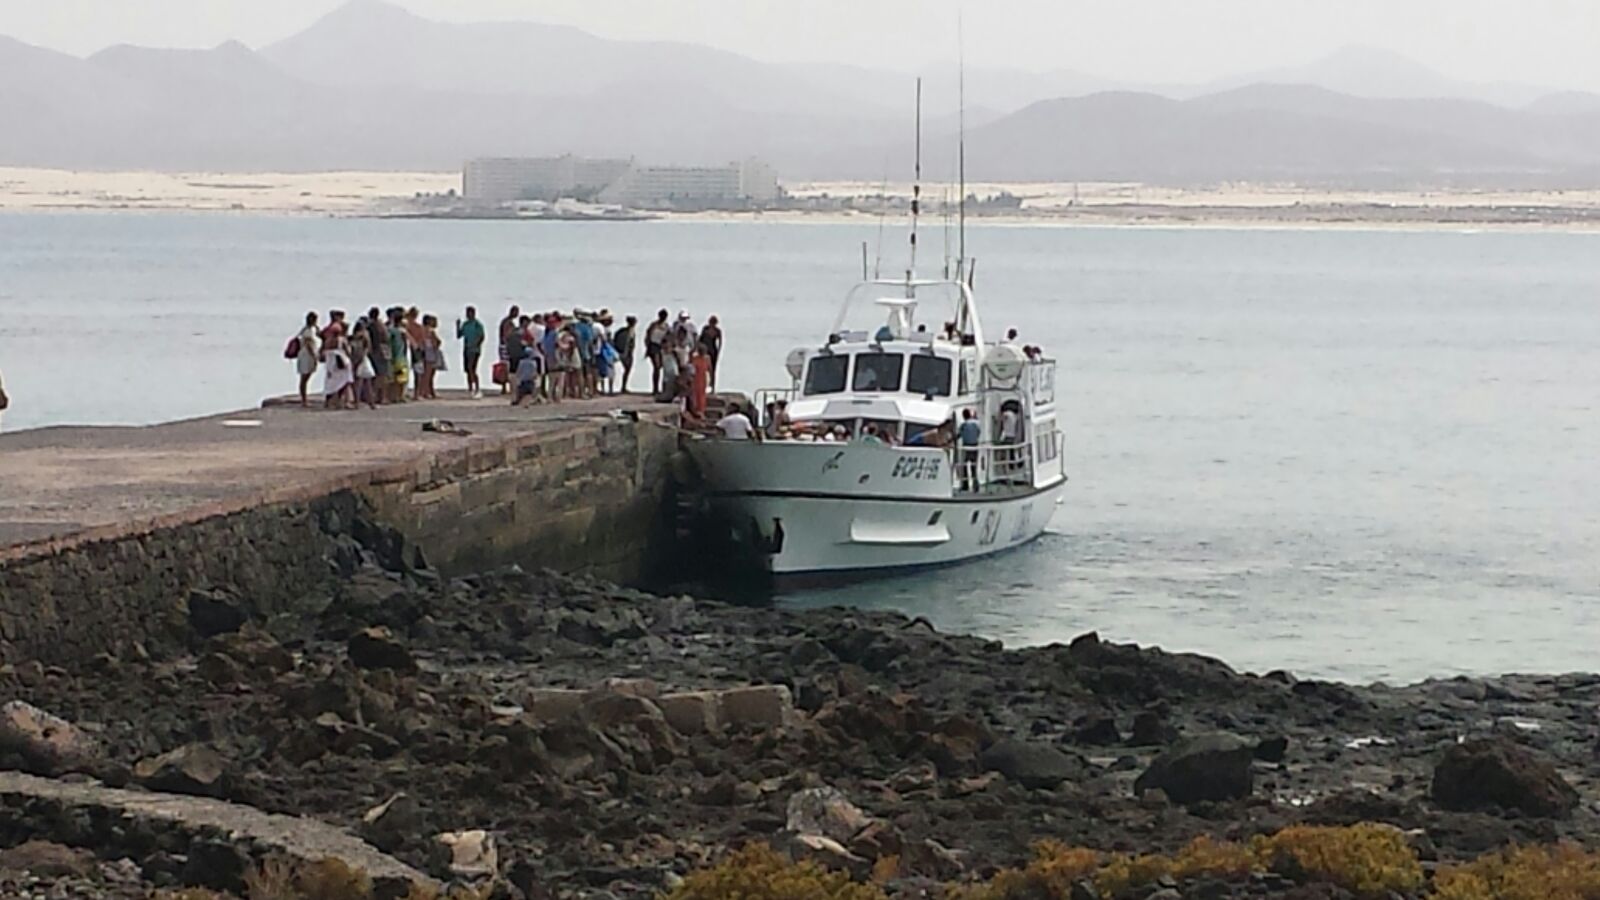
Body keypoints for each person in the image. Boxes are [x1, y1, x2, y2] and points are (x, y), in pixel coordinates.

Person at [293, 311, 321, 407]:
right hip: (307, 355)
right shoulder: (309, 331)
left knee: (304, 378)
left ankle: (304, 399)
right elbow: (309, 344)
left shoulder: (306, 329)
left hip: (304, 354)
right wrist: (315, 356)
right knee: (305, 378)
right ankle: (304, 400)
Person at [458, 306, 486, 398]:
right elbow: (459, 335)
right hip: (466, 349)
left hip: (474, 350)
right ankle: (470, 388)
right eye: (467, 313)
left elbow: (482, 337)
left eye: (470, 313)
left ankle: (477, 388)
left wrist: (476, 344)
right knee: (467, 370)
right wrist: (457, 326)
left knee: (472, 368)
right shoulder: (465, 324)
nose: (468, 315)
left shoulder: (477, 324)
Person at [323, 330, 355, 409]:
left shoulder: (328, 341)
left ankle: (329, 402)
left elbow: (323, 352)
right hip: (341, 362)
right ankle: (345, 401)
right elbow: (348, 351)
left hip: (330, 363)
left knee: (331, 383)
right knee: (345, 382)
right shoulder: (342, 340)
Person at [350, 319, 377, 409]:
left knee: (358, 383)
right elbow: (367, 349)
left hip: (356, 360)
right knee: (367, 383)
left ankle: (357, 403)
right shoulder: (364, 335)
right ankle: (371, 403)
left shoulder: (353, 338)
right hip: (363, 360)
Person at [366, 307, 390, 406]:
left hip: (376, 351)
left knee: (378, 375)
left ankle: (377, 395)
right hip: (382, 350)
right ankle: (382, 396)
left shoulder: (371, 326)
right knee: (382, 374)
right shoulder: (381, 325)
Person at [645, 309, 670, 395]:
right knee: (657, 366)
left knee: (660, 367)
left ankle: (660, 387)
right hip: (653, 346)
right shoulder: (654, 325)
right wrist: (647, 347)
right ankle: (655, 388)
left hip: (661, 347)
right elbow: (648, 336)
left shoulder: (666, 326)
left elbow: (669, 337)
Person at [497, 305, 521, 395]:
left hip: (504, 346)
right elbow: (506, 335)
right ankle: (504, 387)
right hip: (505, 346)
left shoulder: (507, 321)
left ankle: (506, 386)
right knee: (506, 366)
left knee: (506, 365)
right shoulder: (508, 322)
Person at [613, 315, 638, 394]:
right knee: (627, 369)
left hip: (622, 352)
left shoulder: (622, 330)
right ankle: (623, 387)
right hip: (626, 353)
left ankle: (623, 386)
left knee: (627, 370)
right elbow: (629, 343)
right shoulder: (630, 332)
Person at [958, 409, 982, 490]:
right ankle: (976, 485)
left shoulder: (963, 425)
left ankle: (965, 485)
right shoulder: (976, 423)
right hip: (975, 446)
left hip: (966, 446)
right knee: (973, 466)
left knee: (964, 466)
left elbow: (959, 434)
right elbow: (979, 432)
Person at [698, 315, 723, 391]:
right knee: (702, 369)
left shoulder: (718, 331)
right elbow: (700, 339)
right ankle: (703, 385)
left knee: (713, 369)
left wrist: (718, 351)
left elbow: (720, 342)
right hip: (704, 351)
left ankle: (713, 387)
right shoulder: (705, 329)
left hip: (713, 351)